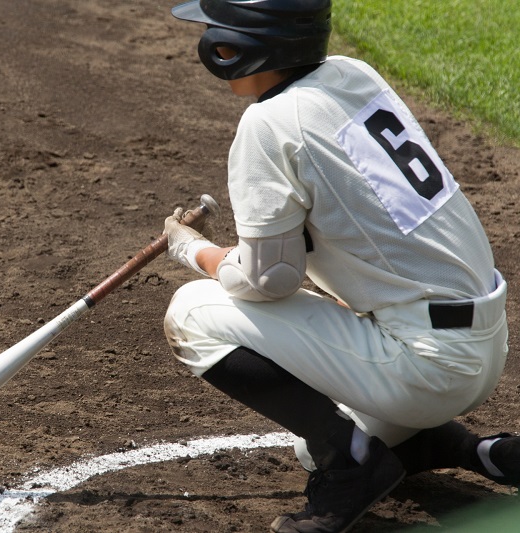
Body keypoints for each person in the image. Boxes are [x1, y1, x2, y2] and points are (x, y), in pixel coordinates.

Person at [162, 1, 518, 531]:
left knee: (190, 313)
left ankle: (351, 472)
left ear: (233, 47)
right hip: (483, 343)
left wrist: (191, 249)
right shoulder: (354, 75)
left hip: (426, 364)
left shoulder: (267, 123)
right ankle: (474, 449)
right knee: (324, 439)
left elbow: (268, 280)